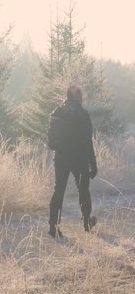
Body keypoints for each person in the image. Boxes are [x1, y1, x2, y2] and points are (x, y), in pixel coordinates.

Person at [48, 85, 97, 238]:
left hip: (61, 157)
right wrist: (93, 163)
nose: (81, 97)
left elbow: (51, 140)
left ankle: (53, 225)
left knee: (59, 189)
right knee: (83, 188)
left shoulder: (57, 111)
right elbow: (88, 141)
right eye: (79, 94)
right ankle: (87, 221)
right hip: (79, 157)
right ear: (74, 96)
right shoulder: (82, 113)